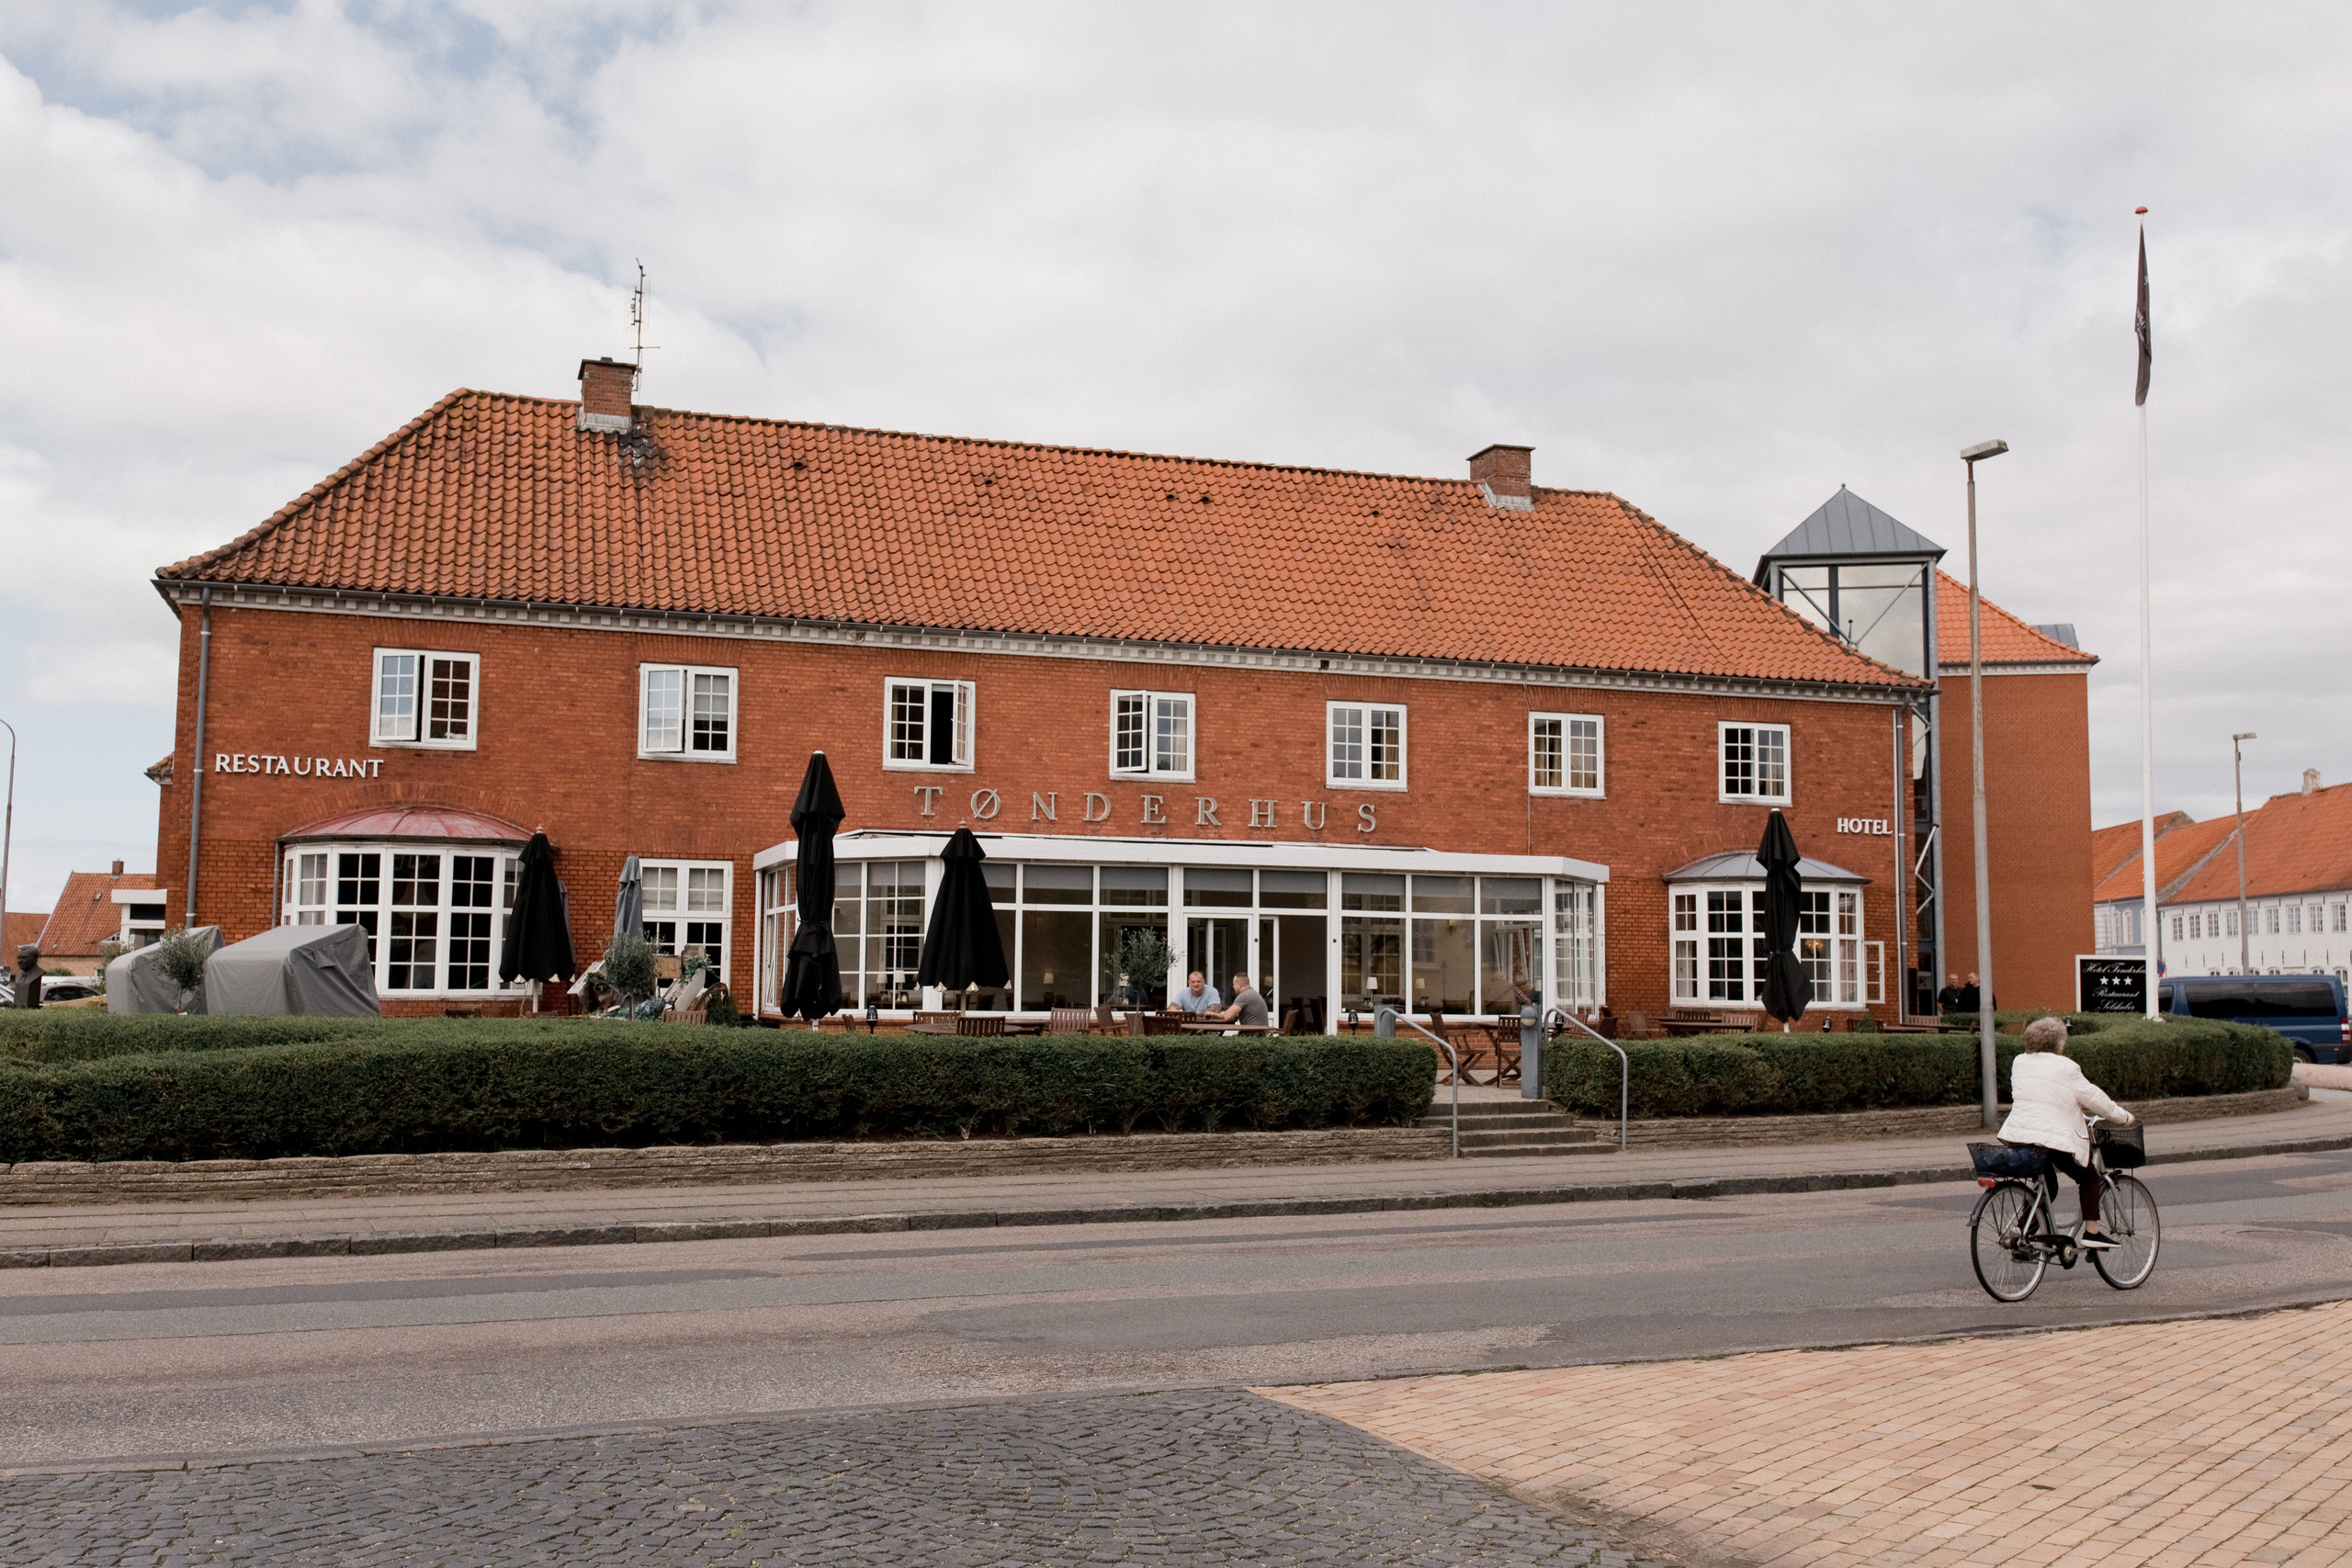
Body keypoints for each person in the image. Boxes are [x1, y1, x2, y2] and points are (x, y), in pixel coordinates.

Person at [1996, 1016, 2135, 1247]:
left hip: (2019, 1135)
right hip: (2050, 1138)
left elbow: (2044, 1099)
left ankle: (2022, 1234)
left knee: (2048, 1185)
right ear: (2059, 1043)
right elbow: (2094, 1098)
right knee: (2089, 1176)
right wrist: (2124, 1117)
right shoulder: (2067, 1067)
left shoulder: (2020, 1062)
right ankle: (2092, 1232)